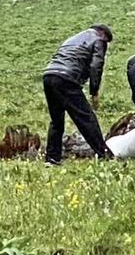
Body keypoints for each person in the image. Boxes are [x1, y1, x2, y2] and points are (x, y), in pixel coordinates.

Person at [43, 25, 114, 165]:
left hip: (49, 74)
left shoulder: (72, 39)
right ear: (104, 34)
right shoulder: (99, 40)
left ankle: (52, 158)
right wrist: (94, 92)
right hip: (66, 78)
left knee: (56, 120)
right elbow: (96, 65)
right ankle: (104, 154)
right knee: (86, 117)